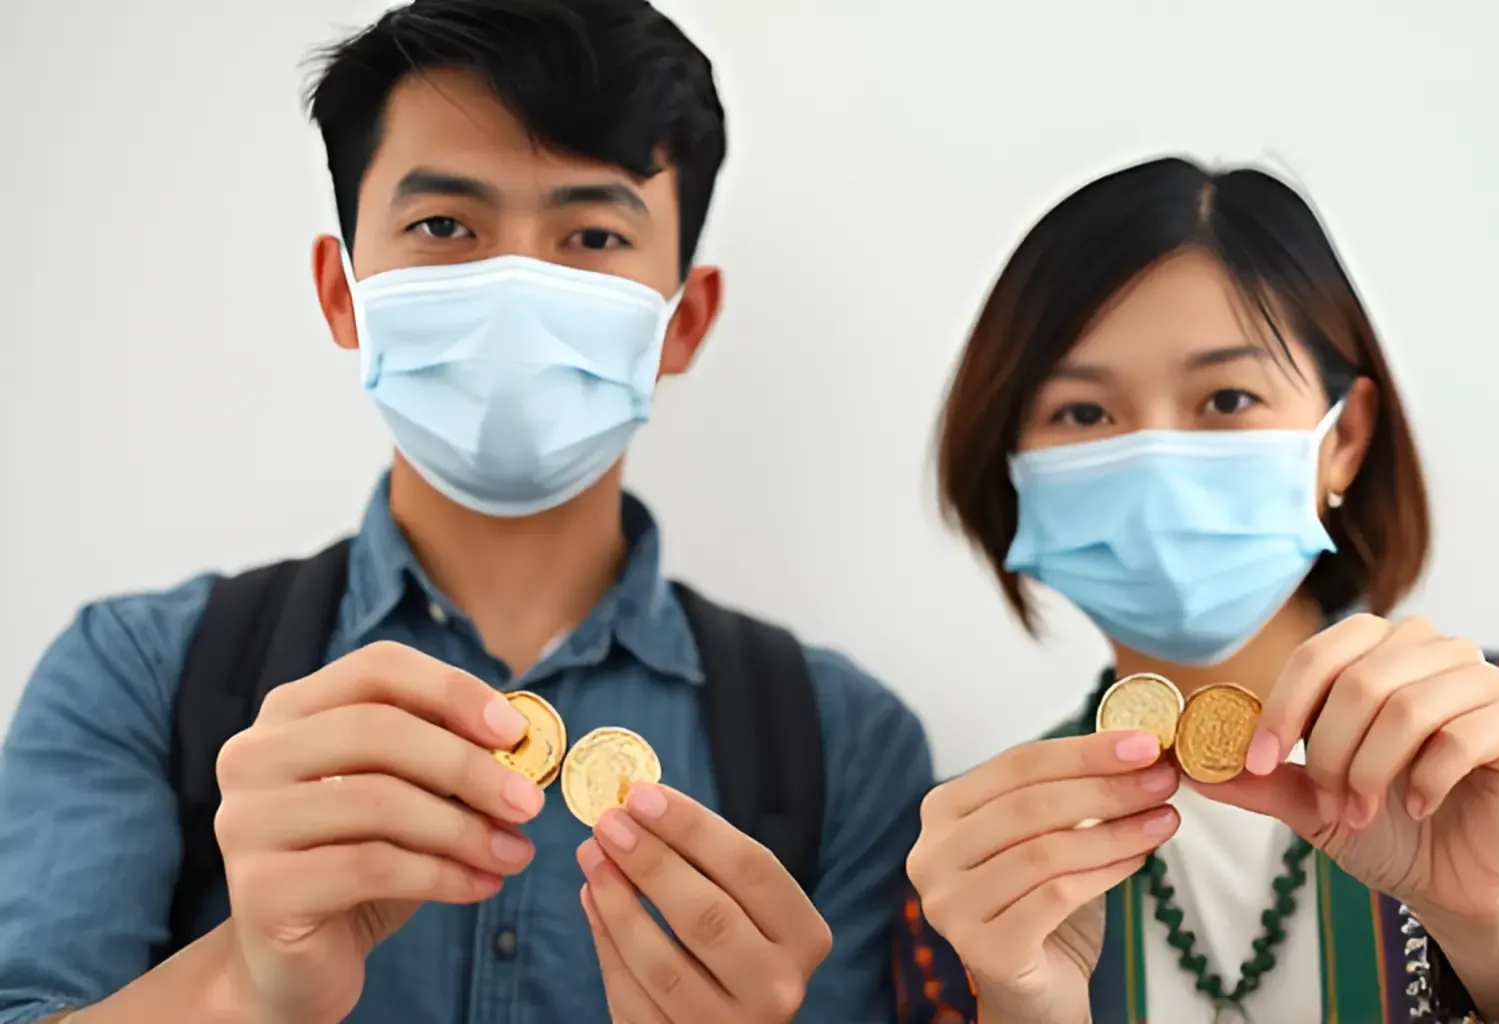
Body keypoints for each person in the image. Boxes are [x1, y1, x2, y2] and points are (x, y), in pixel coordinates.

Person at [0, 2, 933, 1022]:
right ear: (343, 292)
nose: (517, 288)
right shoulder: (137, 676)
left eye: (593, 233)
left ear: (684, 320)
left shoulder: (844, 744)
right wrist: (243, 983)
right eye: (445, 225)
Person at [892, 156, 1499, 1023]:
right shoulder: (977, 854)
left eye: (1226, 398)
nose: (1160, 465)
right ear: (1015, 466)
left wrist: (1496, 923)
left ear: (1344, 439)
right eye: (1084, 413)